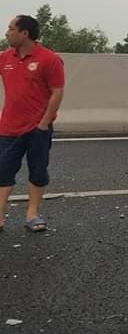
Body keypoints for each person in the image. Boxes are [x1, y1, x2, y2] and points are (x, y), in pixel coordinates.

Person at [0, 15, 65, 233]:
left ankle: (32, 214)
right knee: (3, 171)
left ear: (24, 33)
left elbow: (57, 91)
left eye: (10, 29)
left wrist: (45, 123)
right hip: (8, 128)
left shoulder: (49, 59)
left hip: (38, 128)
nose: (6, 32)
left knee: (37, 171)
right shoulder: (5, 58)